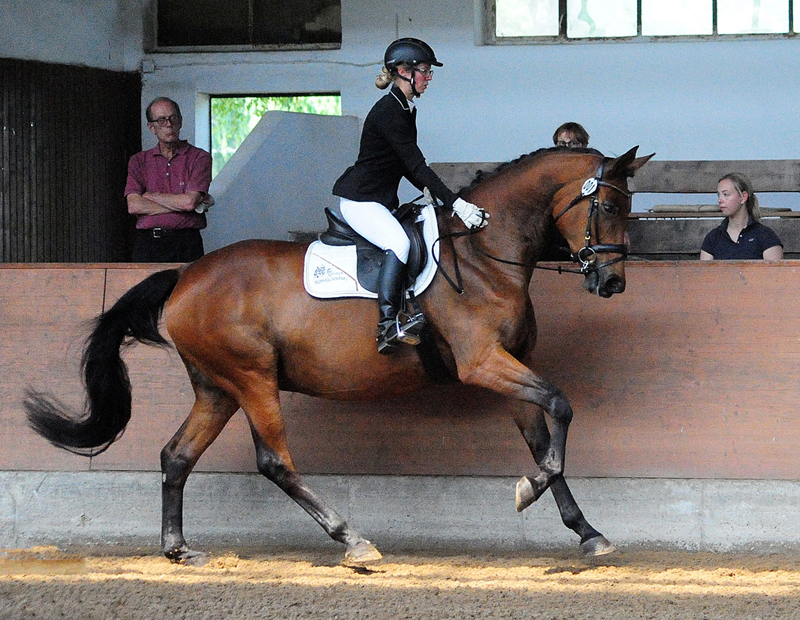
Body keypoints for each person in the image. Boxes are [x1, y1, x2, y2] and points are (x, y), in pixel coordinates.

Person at [332, 38, 489, 355]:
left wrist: (430, 192)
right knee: (399, 243)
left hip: (377, 199)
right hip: (361, 200)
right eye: (425, 71)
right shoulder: (389, 111)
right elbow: (416, 164)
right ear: (404, 72)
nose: (429, 78)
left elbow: (406, 165)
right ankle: (387, 326)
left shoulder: (404, 108)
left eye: (430, 72)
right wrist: (456, 203)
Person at [125, 97, 214, 262]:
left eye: (173, 118)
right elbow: (134, 205)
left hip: (186, 243)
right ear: (151, 127)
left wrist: (150, 196)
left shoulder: (199, 157)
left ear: (180, 121)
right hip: (148, 243)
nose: (169, 124)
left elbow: (189, 202)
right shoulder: (139, 161)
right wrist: (183, 206)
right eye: (161, 120)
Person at [700, 173, 783, 261]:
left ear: (743, 197)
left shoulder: (766, 236)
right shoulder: (713, 237)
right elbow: (704, 269)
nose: (719, 200)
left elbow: (774, 269)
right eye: (718, 195)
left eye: (726, 194)